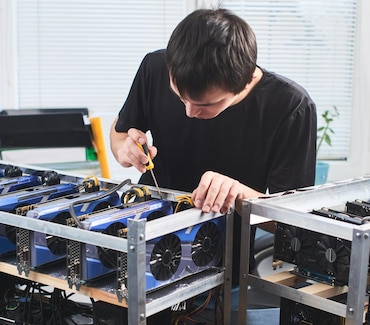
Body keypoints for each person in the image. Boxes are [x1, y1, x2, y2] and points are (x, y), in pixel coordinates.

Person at [110, 8, 317, 278]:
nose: (189, 112)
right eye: (179, 97)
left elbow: (290, 224)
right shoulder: (154, 66)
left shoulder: (291, 107)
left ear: (246, 81)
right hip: (142, 257)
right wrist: (124, 148)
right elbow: (119, 133)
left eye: (205, 104)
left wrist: (238, 193)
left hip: (221, 269)